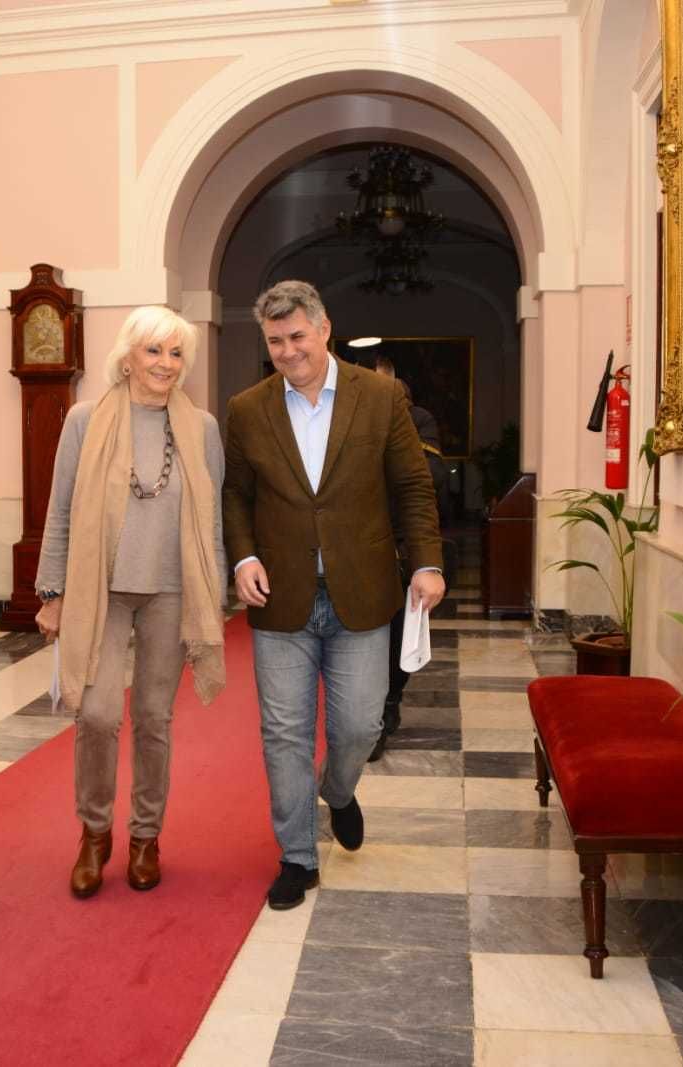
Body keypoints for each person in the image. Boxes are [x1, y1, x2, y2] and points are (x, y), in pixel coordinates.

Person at [223, 280, 444, 911]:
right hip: (280, 599)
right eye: (274, 342)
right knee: (284, 731)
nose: (288, 352)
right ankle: (297, 855)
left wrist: (426, 562)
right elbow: (235, 496)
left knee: (359, 726)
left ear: (324, 329)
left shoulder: (380, 398)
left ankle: (339, 792)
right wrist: (243, 555)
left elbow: (412, 488)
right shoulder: (248, 408)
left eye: (297, 337)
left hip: (363, 592)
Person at [34, 306, 227, 899]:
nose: (165, 364)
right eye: (154, 351)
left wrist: (213, 593)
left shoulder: (202, 428)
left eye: (175, 354)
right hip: (102, 591)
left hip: (171, 588)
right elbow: (61, 508)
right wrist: (52, 592)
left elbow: (211, 518)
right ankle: (94, 833)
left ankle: (146, 835)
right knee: (95, 714)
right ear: (128, 355)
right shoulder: (85, 420)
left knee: (153, 718)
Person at [372, 375, 457, 762]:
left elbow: (430, 480)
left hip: (403, 553)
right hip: (360, 549)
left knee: (397, 637)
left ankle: (389, 704)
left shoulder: (418, 421)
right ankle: (367, 715)